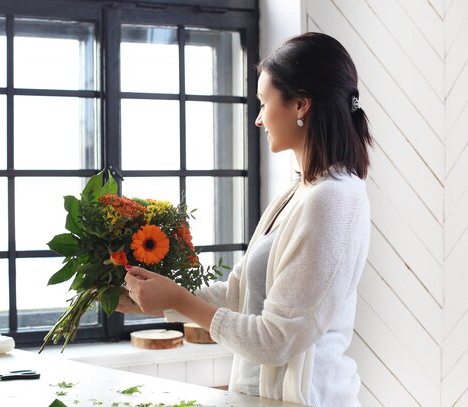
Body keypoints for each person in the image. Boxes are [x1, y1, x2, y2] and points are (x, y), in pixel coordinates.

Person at [118, 31, 373, 407]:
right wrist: (146, 299)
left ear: (301, 105)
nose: (258, 119)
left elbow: (277, 339)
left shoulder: (332, 200)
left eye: (264, 103)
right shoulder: (299, 192)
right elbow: (240, 295)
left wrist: (179, 301)